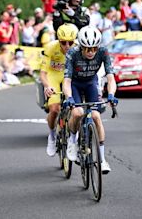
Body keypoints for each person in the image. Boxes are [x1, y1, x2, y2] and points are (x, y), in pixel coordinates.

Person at [63, 26, 118, 174]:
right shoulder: (72, 53)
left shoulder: (103, 52)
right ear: (81, 46)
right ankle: (72, 141)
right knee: (77, 113)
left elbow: (111, 77)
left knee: (96, 116)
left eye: (94, 49)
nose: (90, 52)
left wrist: (111, 94)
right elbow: (66, 81)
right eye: (87, 49)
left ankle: (102, 159)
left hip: (90, 83)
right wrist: (69, 97)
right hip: (74, 84)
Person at [40, 23, 78, 157]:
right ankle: (51, 136)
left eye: (70, 42)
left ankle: (75, 136)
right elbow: (43, 73)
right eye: (63, 42)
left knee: (77, 108)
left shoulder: (78, 48)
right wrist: (46, 86)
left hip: (69, 76)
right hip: (54, 76)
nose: (67, 46)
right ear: (58, 40)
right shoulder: (50, 47)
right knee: (55, 109)